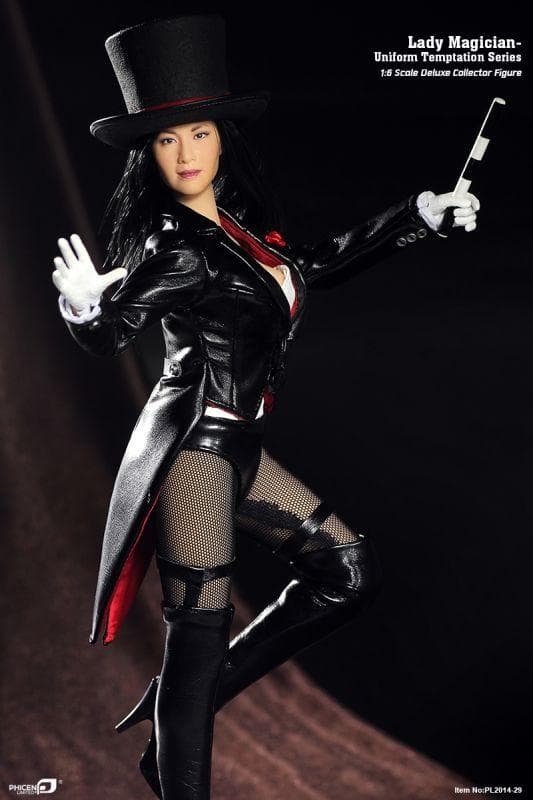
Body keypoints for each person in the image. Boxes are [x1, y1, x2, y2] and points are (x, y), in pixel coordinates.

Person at [51, 14, 479, 800]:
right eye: (166, 139)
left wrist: (418, 217)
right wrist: (84, 307)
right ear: (148, 153)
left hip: (238, 452)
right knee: (197, 639)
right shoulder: (178, 249)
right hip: (195, 458)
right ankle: (177, 749)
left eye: (199, 133)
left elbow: (311, 266)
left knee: (345, 572)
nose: (184, 153)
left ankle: (175, 715)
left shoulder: (239, 236)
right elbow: (113, 331)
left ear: (223, 140)